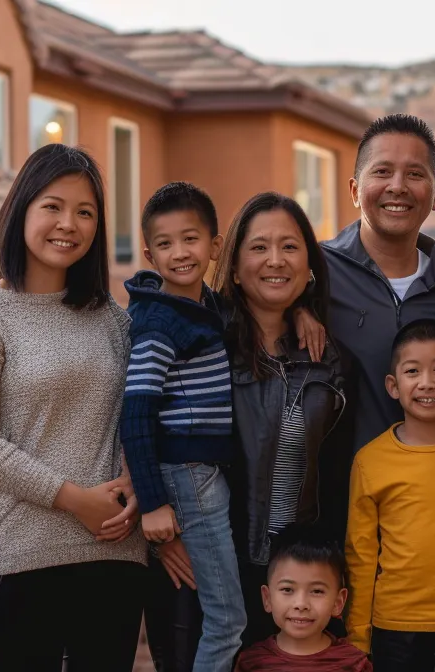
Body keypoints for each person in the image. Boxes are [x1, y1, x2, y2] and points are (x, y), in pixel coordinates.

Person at [0, 143, 145, 671]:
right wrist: (74, 499)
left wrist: (131, 477)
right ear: (22, 210)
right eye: (53, 206)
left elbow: (141, 409)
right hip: (21, 556)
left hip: (114, 553)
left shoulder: (112, 318)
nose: (68, 224)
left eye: (85, 212)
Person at [321, 115, 435, 519]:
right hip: (330, 521)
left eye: (414, 174)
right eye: (382, 172)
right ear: (355, 190)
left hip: (434, 524)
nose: (397, 187)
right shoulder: (313, 276)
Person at [214, 192, 351, 646]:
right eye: (258, 247)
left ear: (310, 264)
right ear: (234, 266)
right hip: (219, 565)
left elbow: (339, 471)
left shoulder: (328, 359)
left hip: (301, 579)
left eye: (290, 247)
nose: (275, 259)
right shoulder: (206, 347)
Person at [119, 181, 246, 672]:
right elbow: (136, 413)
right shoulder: (159, 324)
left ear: (215, 246)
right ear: (150, 254)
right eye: (166, 244)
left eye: (190, 239)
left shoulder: (206, 307)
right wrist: (153, 505)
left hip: (207, 472)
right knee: (227, 619)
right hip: (188, 474)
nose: (180, 253)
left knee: (220, 611)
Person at [344, 319, 435, 671]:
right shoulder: (370, 460)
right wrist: (358, 635)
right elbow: (360, 553)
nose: (426, 383)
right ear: (393, 385)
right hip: (395, 626)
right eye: (412, 371)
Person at [234, 525, 373, 672]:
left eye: (317, 591)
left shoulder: (354, 663)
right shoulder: (252, 662)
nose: (301, 604)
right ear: (267, 598)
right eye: (287, 589)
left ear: (338, 602)